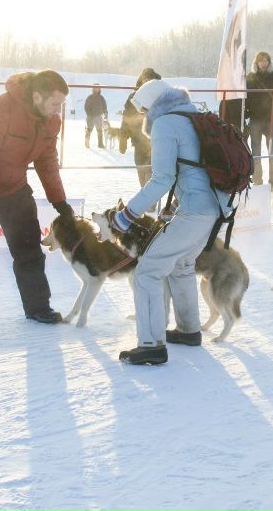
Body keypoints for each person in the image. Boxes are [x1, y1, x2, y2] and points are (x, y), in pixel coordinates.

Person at [109, 79, 232, 365]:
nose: (143, 116)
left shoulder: (165, 123)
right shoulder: (194, 116)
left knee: (147, 272)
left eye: (143, 110)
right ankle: (189, 330)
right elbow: (194, 170)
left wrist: (126, 215)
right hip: (215, 208)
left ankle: (151, 344)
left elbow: (162, 178)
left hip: (195, 211)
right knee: (181, 264)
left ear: (152, 105)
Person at [0, 70, 74, 342]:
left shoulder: (51, 120)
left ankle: (38, 306)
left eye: (62, 105)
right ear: (37, 96)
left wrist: (59, 200)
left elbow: (46, 160)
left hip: (14, 184)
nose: (58, 110)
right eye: (55, 103)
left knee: (28, 245)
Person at [246, 51, 273, 189]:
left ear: (269, 62)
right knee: (255, 151)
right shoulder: (250, 77)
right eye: (261, 60)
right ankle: (257, 180)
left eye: (266, 60)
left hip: (270, 119)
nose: (263, 63)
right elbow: (246, 98)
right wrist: (249, 112)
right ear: (256, 62)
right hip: (255, 119)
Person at [121, 68, 162, 187]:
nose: (147, 83)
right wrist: (123, 137)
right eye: (146, 80)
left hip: (156, 142)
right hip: (138, 142)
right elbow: (127, 118)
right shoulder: (134, 97)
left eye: (150, 80)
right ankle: (146, 196)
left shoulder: (160, 97)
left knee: (151, 176)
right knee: (142, 175)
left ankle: (150, 198)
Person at [84, 84, 108, 149]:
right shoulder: (90, 97)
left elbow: (104, 106)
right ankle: (87, 143)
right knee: (89, 130)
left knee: (100, 131)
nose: (97, 89)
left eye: (98, 88)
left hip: (99, 117)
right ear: (93, 89)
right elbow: (86, 107)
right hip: (90, 117)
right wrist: (89, 114)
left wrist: (106, 114)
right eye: (96, 88)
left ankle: (100, 144)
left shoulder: (101, 98)